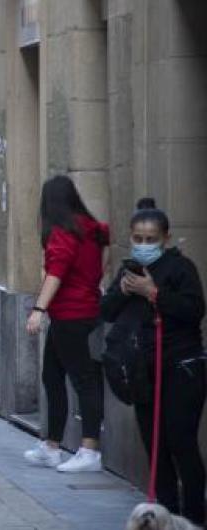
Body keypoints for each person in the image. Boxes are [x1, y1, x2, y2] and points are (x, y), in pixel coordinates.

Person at [101, 199, 205, 524]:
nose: (144, 245)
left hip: (181, 367)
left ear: (166, 238)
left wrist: (154, 292)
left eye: (151, 239)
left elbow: (194, 310)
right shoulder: (129, 269)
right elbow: (107, 311)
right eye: (138, 239)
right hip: (143, 372)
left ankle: (194, 516)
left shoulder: (180, 268)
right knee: (155, 446)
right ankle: (165, 515)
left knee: (180, 440)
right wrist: (123, 289)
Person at [23, 175, 110, 472]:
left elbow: (56, 273)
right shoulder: (92, 229)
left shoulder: (63, 232)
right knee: (51, 375)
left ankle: (89, 451)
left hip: (71, 313)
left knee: (83, 380)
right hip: (80, 310)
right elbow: (104, 258)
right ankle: (52, 446)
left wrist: (38, 309)